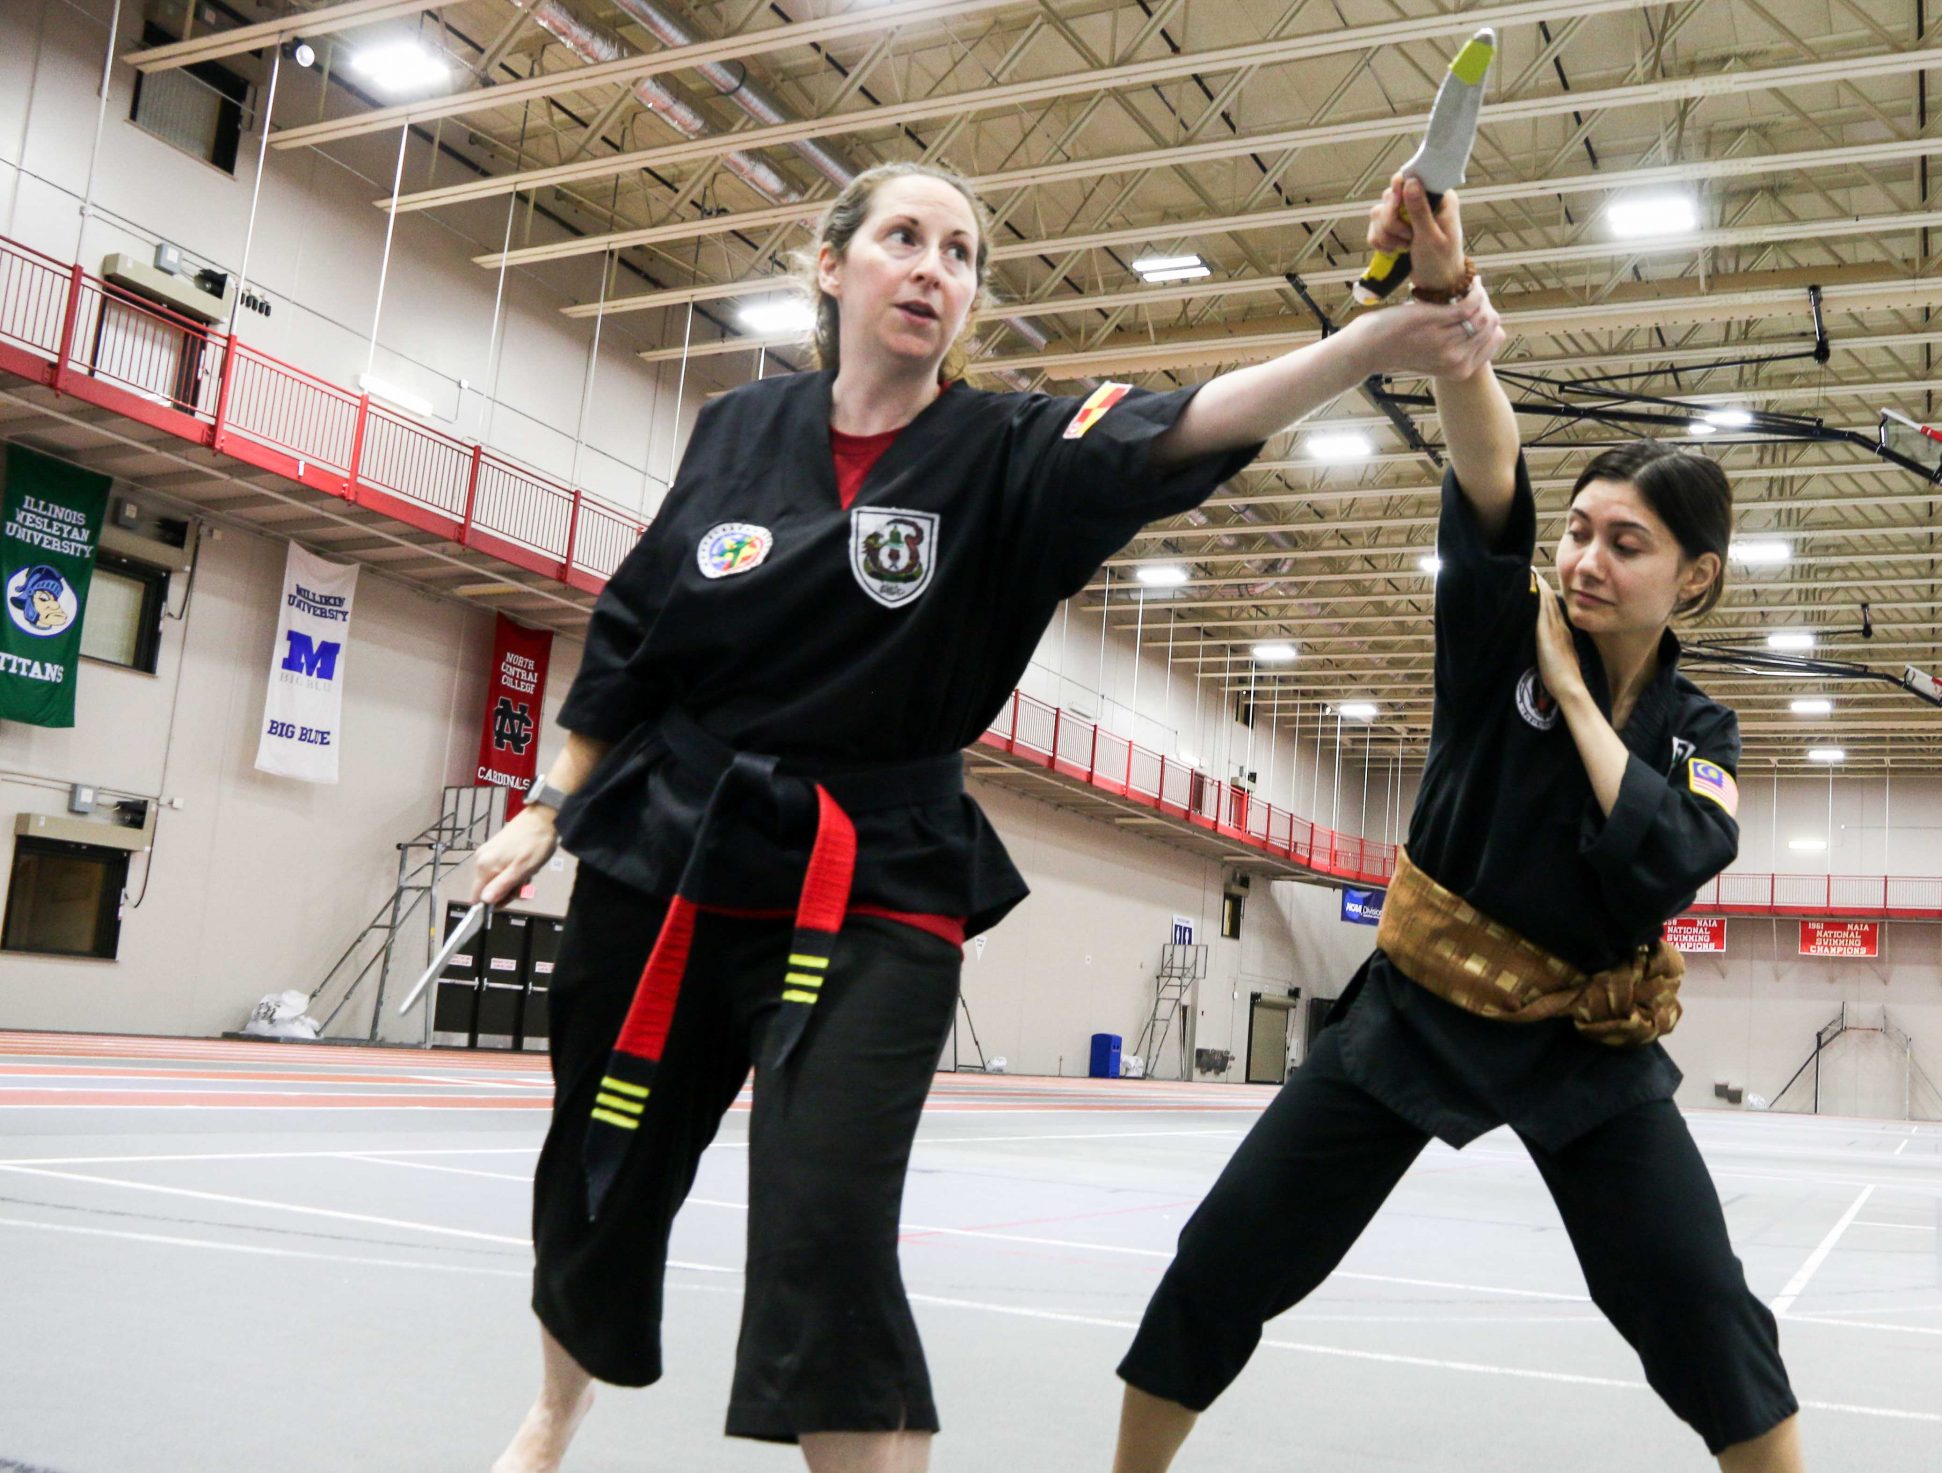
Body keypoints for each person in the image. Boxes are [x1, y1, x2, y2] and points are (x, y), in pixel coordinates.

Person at [466, 160, 1504, 1473]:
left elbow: (1186, 425)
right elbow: (633, 628)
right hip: (669, 844)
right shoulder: (738, 431)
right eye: (904, 238)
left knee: (827, 1229)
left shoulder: (1008, 455)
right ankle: (554, 1413)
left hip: (872, 872)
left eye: (960, 253)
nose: (933, 269)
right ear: (834, 266)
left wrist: (1368, 341)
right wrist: (553, 800)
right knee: (596, 1171)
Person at [1110, 175, 1804, 1471]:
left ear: (1694, 576)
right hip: (1412, 1013)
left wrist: (1592, 717)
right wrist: (1446, 304)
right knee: (1223, 1261)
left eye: (1631, 543)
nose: (1589, 557)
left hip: (1585, 1043)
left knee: (1701, 1310)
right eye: (1584, 532)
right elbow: (1493, 470)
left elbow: (1671, 855)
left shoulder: (1698, 733)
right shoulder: (1496, 639)